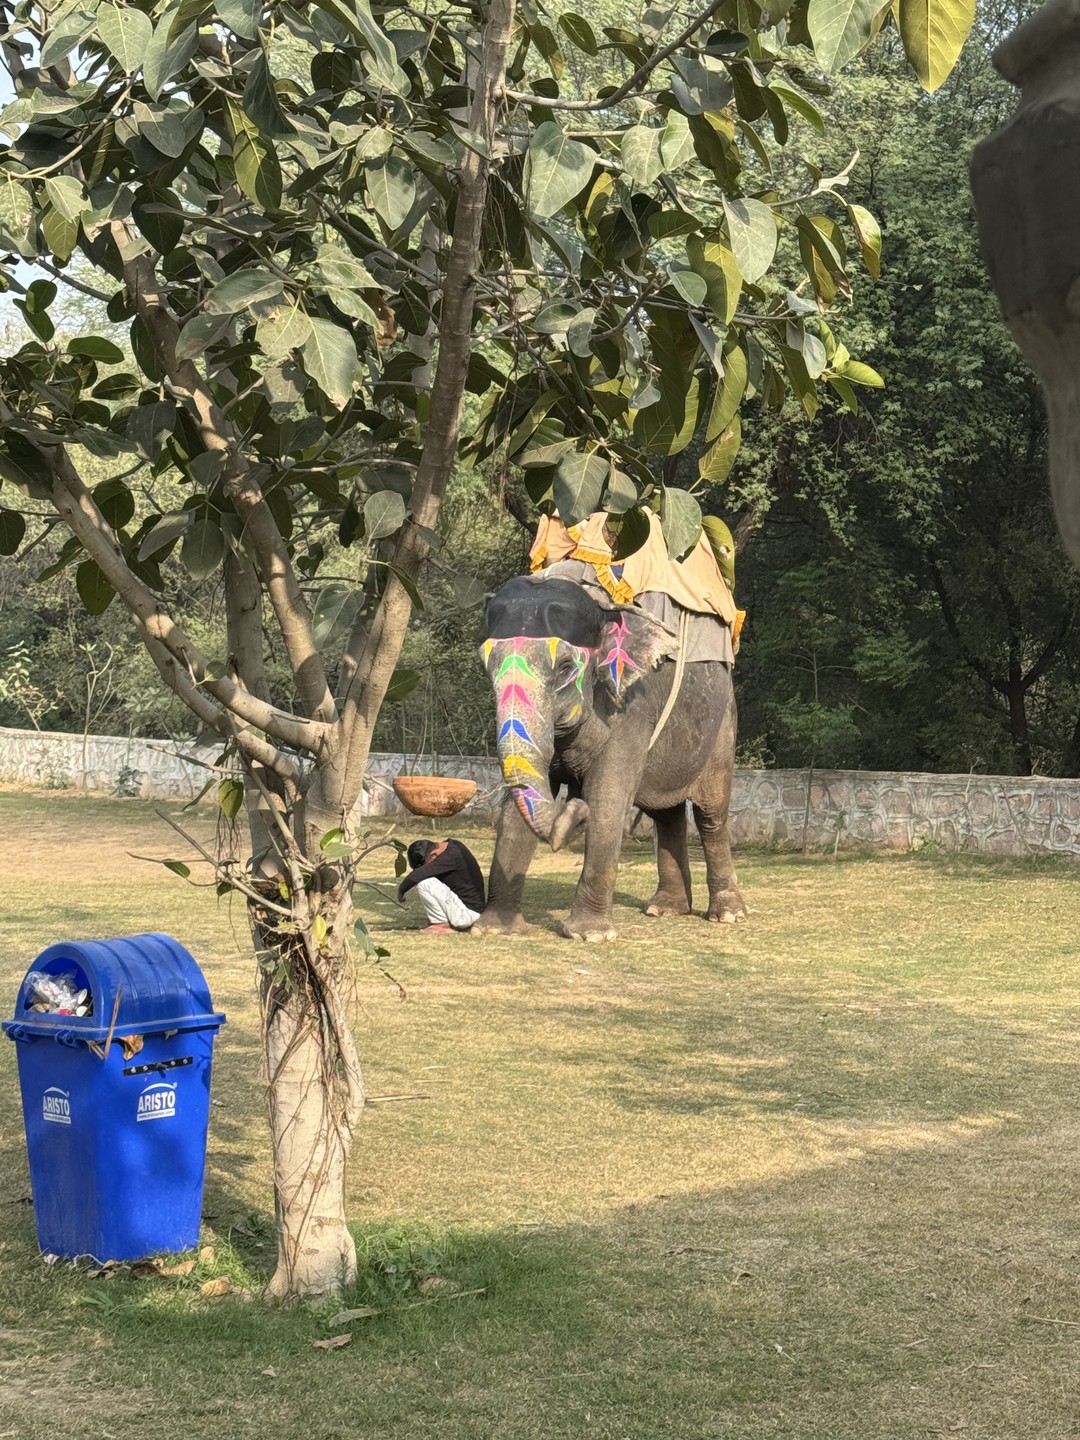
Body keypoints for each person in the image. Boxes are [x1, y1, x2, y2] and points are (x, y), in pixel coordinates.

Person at [397, 837, 486, 934]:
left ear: (434, 855)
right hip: (471, 909)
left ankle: (440, 924)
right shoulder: (453, 846)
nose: (428, 867)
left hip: (468, 914)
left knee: (424, 883)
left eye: (426, 864)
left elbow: (416, 876)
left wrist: (401, 890)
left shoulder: (450, 856)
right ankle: (442, 921)